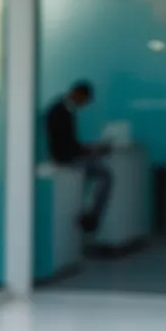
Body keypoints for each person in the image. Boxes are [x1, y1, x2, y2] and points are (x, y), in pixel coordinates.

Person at [45, 80, 112, 234]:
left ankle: (89, 215)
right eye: (85, 100)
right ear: (78, 94)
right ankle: (92, 217)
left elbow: (69, 142)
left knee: (98, 172)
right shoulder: (59, 111)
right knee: (105, 175)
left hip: (67, 155)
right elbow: (65, 145)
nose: (84, 105)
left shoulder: (63, 109)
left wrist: (88, 149)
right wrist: (89, 150)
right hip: (65, 159)